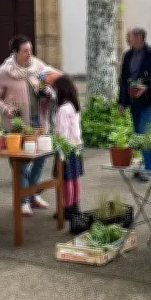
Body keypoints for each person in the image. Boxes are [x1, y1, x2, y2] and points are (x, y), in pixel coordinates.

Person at [0, 35, 57, 217]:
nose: (30, 54)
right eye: (25, 51)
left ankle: (33, 195)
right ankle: (24, 201)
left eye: (30, 50)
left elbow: (51, 86)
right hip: (17, 125)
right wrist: (5, 109)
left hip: (39, 122)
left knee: (41, 158)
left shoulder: (39, 66)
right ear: (15, 53)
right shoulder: (5, 71)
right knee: (20, 164)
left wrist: (48, 92)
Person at [117, 26, 151, 181]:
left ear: (139, 37)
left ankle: (147, 168)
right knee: (138, 133)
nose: (127, 39)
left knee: (143, 132)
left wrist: (147, 87)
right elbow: (123, 81)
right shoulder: (127, 55)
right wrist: (121, 102)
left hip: (149, 100)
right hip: (134, 101)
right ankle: (143, 164)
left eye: (129, 36)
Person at [52, 75, 83, 221]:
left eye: (55, 90)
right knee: (75, 178)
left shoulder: (63, 109)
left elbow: (61, 133)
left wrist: (60, 154)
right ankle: (75, 207)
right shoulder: (73, 105)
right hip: (76, 147)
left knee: (66, 180)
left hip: (66, 149)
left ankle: (67, 209)